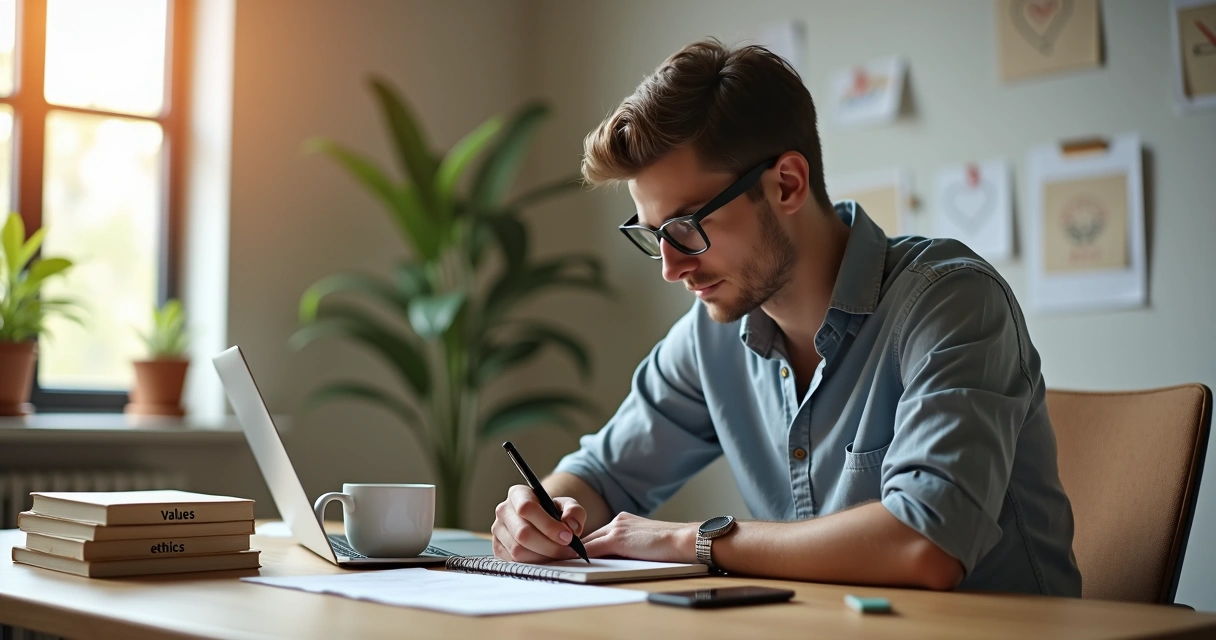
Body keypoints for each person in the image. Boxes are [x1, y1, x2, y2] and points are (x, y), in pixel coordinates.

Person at [491, 39, 1081, 595]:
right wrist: (541, 515)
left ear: (787, 184)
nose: (670, 268)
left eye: (688, 227)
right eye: (652, 237)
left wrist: (690, 542)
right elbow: (599, 476)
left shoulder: (951, 303)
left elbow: (925, 544)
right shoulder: (710, 336)